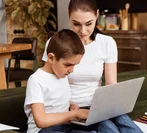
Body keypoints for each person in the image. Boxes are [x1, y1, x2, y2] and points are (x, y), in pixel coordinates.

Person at [42, 0, 141, 132]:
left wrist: (114, 106)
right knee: (109, 129)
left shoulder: (106, 43)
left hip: (99, 106)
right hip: (70, 108)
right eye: (76, 24)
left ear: (97, 15)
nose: (83, 31)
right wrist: (69, 105)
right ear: (68, 15)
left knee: (125, 123)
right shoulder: (55, 43)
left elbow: (111, 85)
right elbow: (48, 84)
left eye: (89, 24)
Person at [25, 30, 90, 133]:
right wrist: (75, 114)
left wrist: (70, 104)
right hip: (43, 130)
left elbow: (54, 100)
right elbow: (41, 121)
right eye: (68, 65)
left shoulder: (62, 75)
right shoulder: (36, 80)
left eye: (75, 65)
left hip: (65, 127)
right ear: (51, 58)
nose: (71, 70)